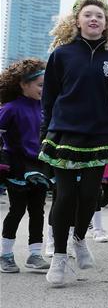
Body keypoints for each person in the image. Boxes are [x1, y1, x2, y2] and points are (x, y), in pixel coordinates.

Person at [39, 0, 108, 286]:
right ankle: (59, 258)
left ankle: (79, 239)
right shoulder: (62, 55)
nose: (93, 19)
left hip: (99, 137)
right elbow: (48, 100)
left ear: (107, 22)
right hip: (64, 135)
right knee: (65, 196)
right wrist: (44, 134)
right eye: (88, 15)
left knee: (90, 197)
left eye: (99, 15)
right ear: (77, 21)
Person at [0, 59, 51, 273]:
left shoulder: (46, 108)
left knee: (38, 210)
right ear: (23, 84)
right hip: (17, 166)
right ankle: (6, 255)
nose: (44, 89)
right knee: (17, 209)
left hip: (39, 166)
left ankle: (35, 255)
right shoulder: (10, 109)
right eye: (40, 85)